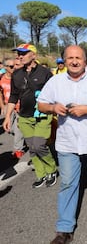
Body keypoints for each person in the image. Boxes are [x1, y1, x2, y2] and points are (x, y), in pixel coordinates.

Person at [37, 45, 87, 244]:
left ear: (85, 60)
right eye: (70, 57)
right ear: (64, 60)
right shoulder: (55, 81)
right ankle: (64, 229)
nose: (74, 61)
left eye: (78, 58)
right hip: (67, 142)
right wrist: (53, 107)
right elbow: (41, 104)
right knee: (68, 183)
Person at [3, 44, 57, 188]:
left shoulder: (45, 73)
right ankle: (41, 174)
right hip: (24, 117)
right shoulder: (17, 74)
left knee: (39, 145)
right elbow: (13, 97)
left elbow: (55, 93)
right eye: (18, 53)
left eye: (24, 53)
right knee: (32, 148)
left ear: (33, 55)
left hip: (42, 116)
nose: (20, 56)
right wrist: (8, 116)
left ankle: (51, 169)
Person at [0, 58, 26, 158]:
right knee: (10, 129)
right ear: (5, 68)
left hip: (20, 107)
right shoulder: (1, 78)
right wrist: (2, 105)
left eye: (15, 66)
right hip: (8, 107)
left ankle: (18, 150)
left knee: (18, 129)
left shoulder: (19, 78)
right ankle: (24, 139)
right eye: (11, 67)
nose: (14, 68)